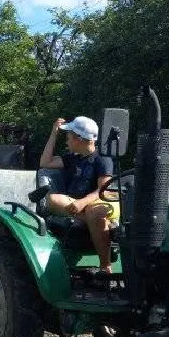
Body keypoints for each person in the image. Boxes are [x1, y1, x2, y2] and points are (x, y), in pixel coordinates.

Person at [39, 116, 116, 273]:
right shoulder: (72, 158)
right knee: (53, 199)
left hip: (98, 201)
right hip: (73, 203)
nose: (66, 142)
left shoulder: (102, 159)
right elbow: (45, 162)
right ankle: (96, 223)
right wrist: (54, 133)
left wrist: (82, 203)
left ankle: (105, 266)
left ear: (79, 139)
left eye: (68, 137)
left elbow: (104, 190)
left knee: (93, 211)